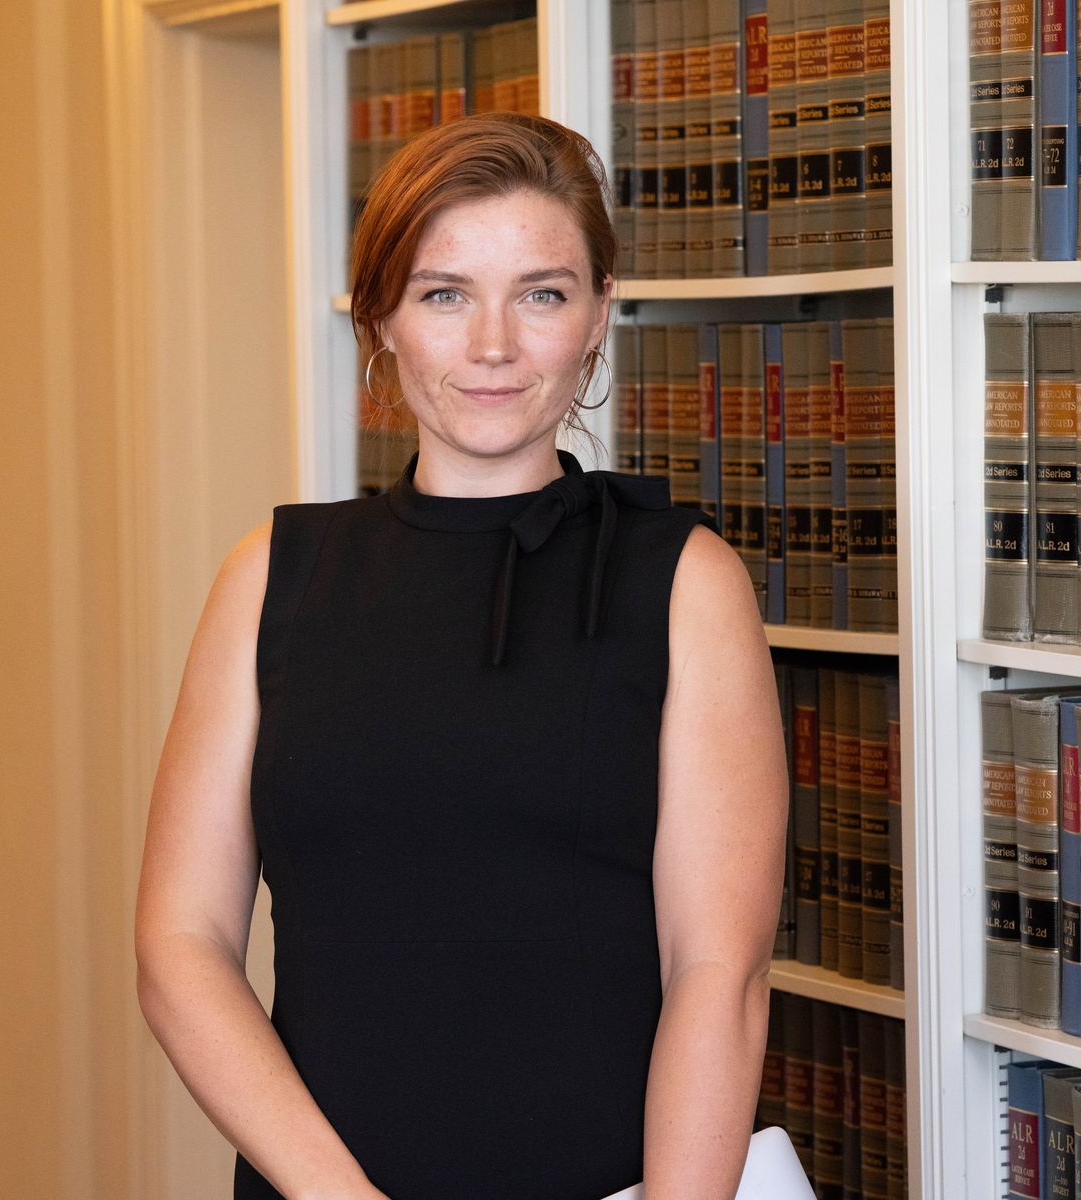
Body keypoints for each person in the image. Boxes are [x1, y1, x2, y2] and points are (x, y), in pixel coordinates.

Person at [135, 112, 789, 1200]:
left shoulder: (685, 583)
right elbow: (181, 942)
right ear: (381, 317)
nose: (494, 345)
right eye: (444, 294)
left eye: (542, 294)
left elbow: (720, 976)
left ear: (598, 315)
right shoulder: (272, 575)